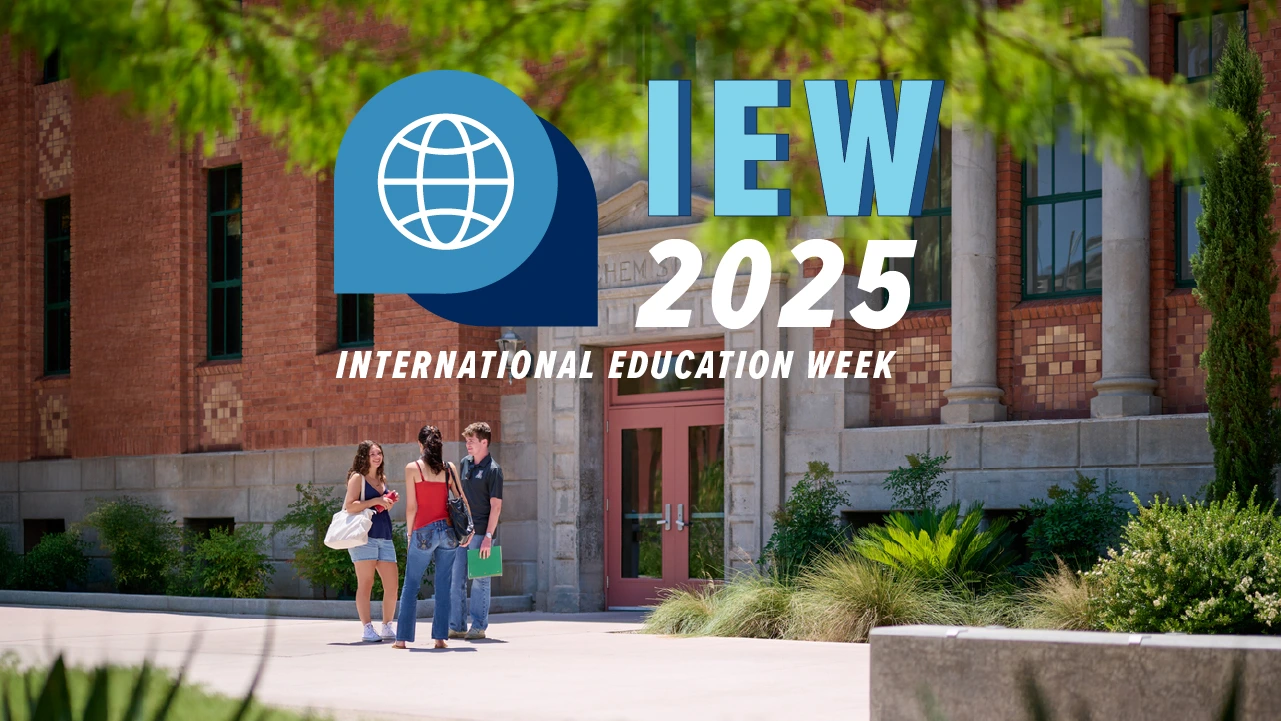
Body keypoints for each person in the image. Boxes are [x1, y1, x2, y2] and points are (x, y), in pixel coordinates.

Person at [393, 425, 472, 649]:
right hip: (447, 532)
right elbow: (462, 499)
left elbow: (411, 507)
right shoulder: (449, 468)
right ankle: (439, 638)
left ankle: (402, 639)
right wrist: (468, 530)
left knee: (411, 585)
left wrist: (410, 534)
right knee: (443, 585)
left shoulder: (413, 468)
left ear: (420, 445)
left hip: (423, 531)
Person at [450, 421, 503, 640]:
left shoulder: (494, 470)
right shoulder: (464, 463)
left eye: (471, 441)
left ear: (484, 442)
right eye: (466, 441)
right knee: (456, 578)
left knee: (481, 581)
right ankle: (457, 625)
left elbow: (496, 506)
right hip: (463, 533)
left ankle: (479, 626)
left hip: (483, 534)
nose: (467, 445)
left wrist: (489, 537)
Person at [342, 440, 399, 643]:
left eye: (379, 453)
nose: (377, 457)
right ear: (364, 456)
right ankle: (367, 628)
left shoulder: (382, 479)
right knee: (366, 583)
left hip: (384, 535)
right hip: (364, 538)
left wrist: (388, 502)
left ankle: (387, 626)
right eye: (373, 454)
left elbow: (380, 508)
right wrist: (376, 500)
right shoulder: (358, 478)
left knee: (392, 585)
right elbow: (350, 506)